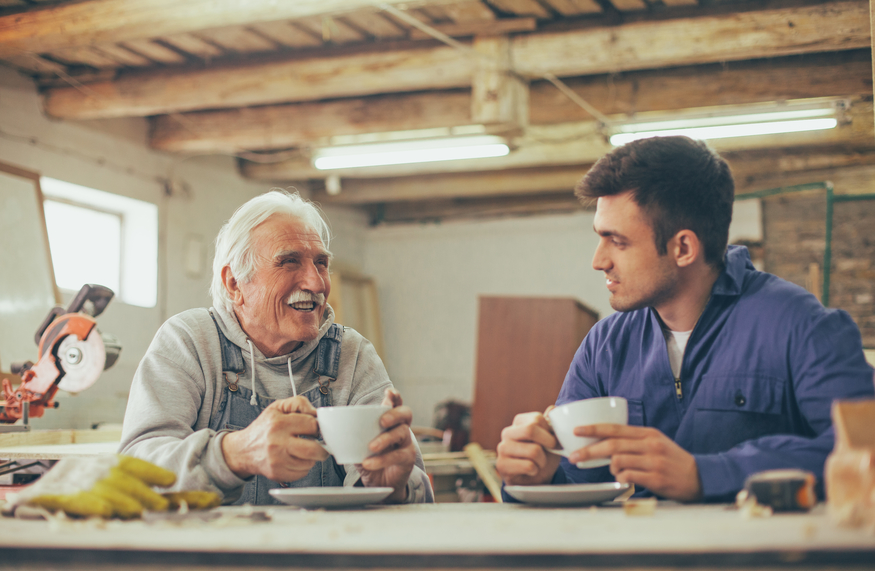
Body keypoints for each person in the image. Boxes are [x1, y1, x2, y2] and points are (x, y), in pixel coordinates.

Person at [495, 136, 875, 502]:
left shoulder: (801, 325)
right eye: (600, 237)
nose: (599, 261)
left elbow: (866, 449)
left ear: (683, 247)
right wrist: (536, 475)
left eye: (618, 241)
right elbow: (578, 477)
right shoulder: (604, 347)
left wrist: (705, 473)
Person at [120, 190, 433, 505]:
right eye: (289, 262)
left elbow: (415, 492)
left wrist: (395, 487)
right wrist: (233, 454)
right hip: (215, 551)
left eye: (321, 263)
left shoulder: (350, 355)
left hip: (322, 550)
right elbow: (136, 471)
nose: (316, 283)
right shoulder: (189, 342)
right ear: (234, 283)